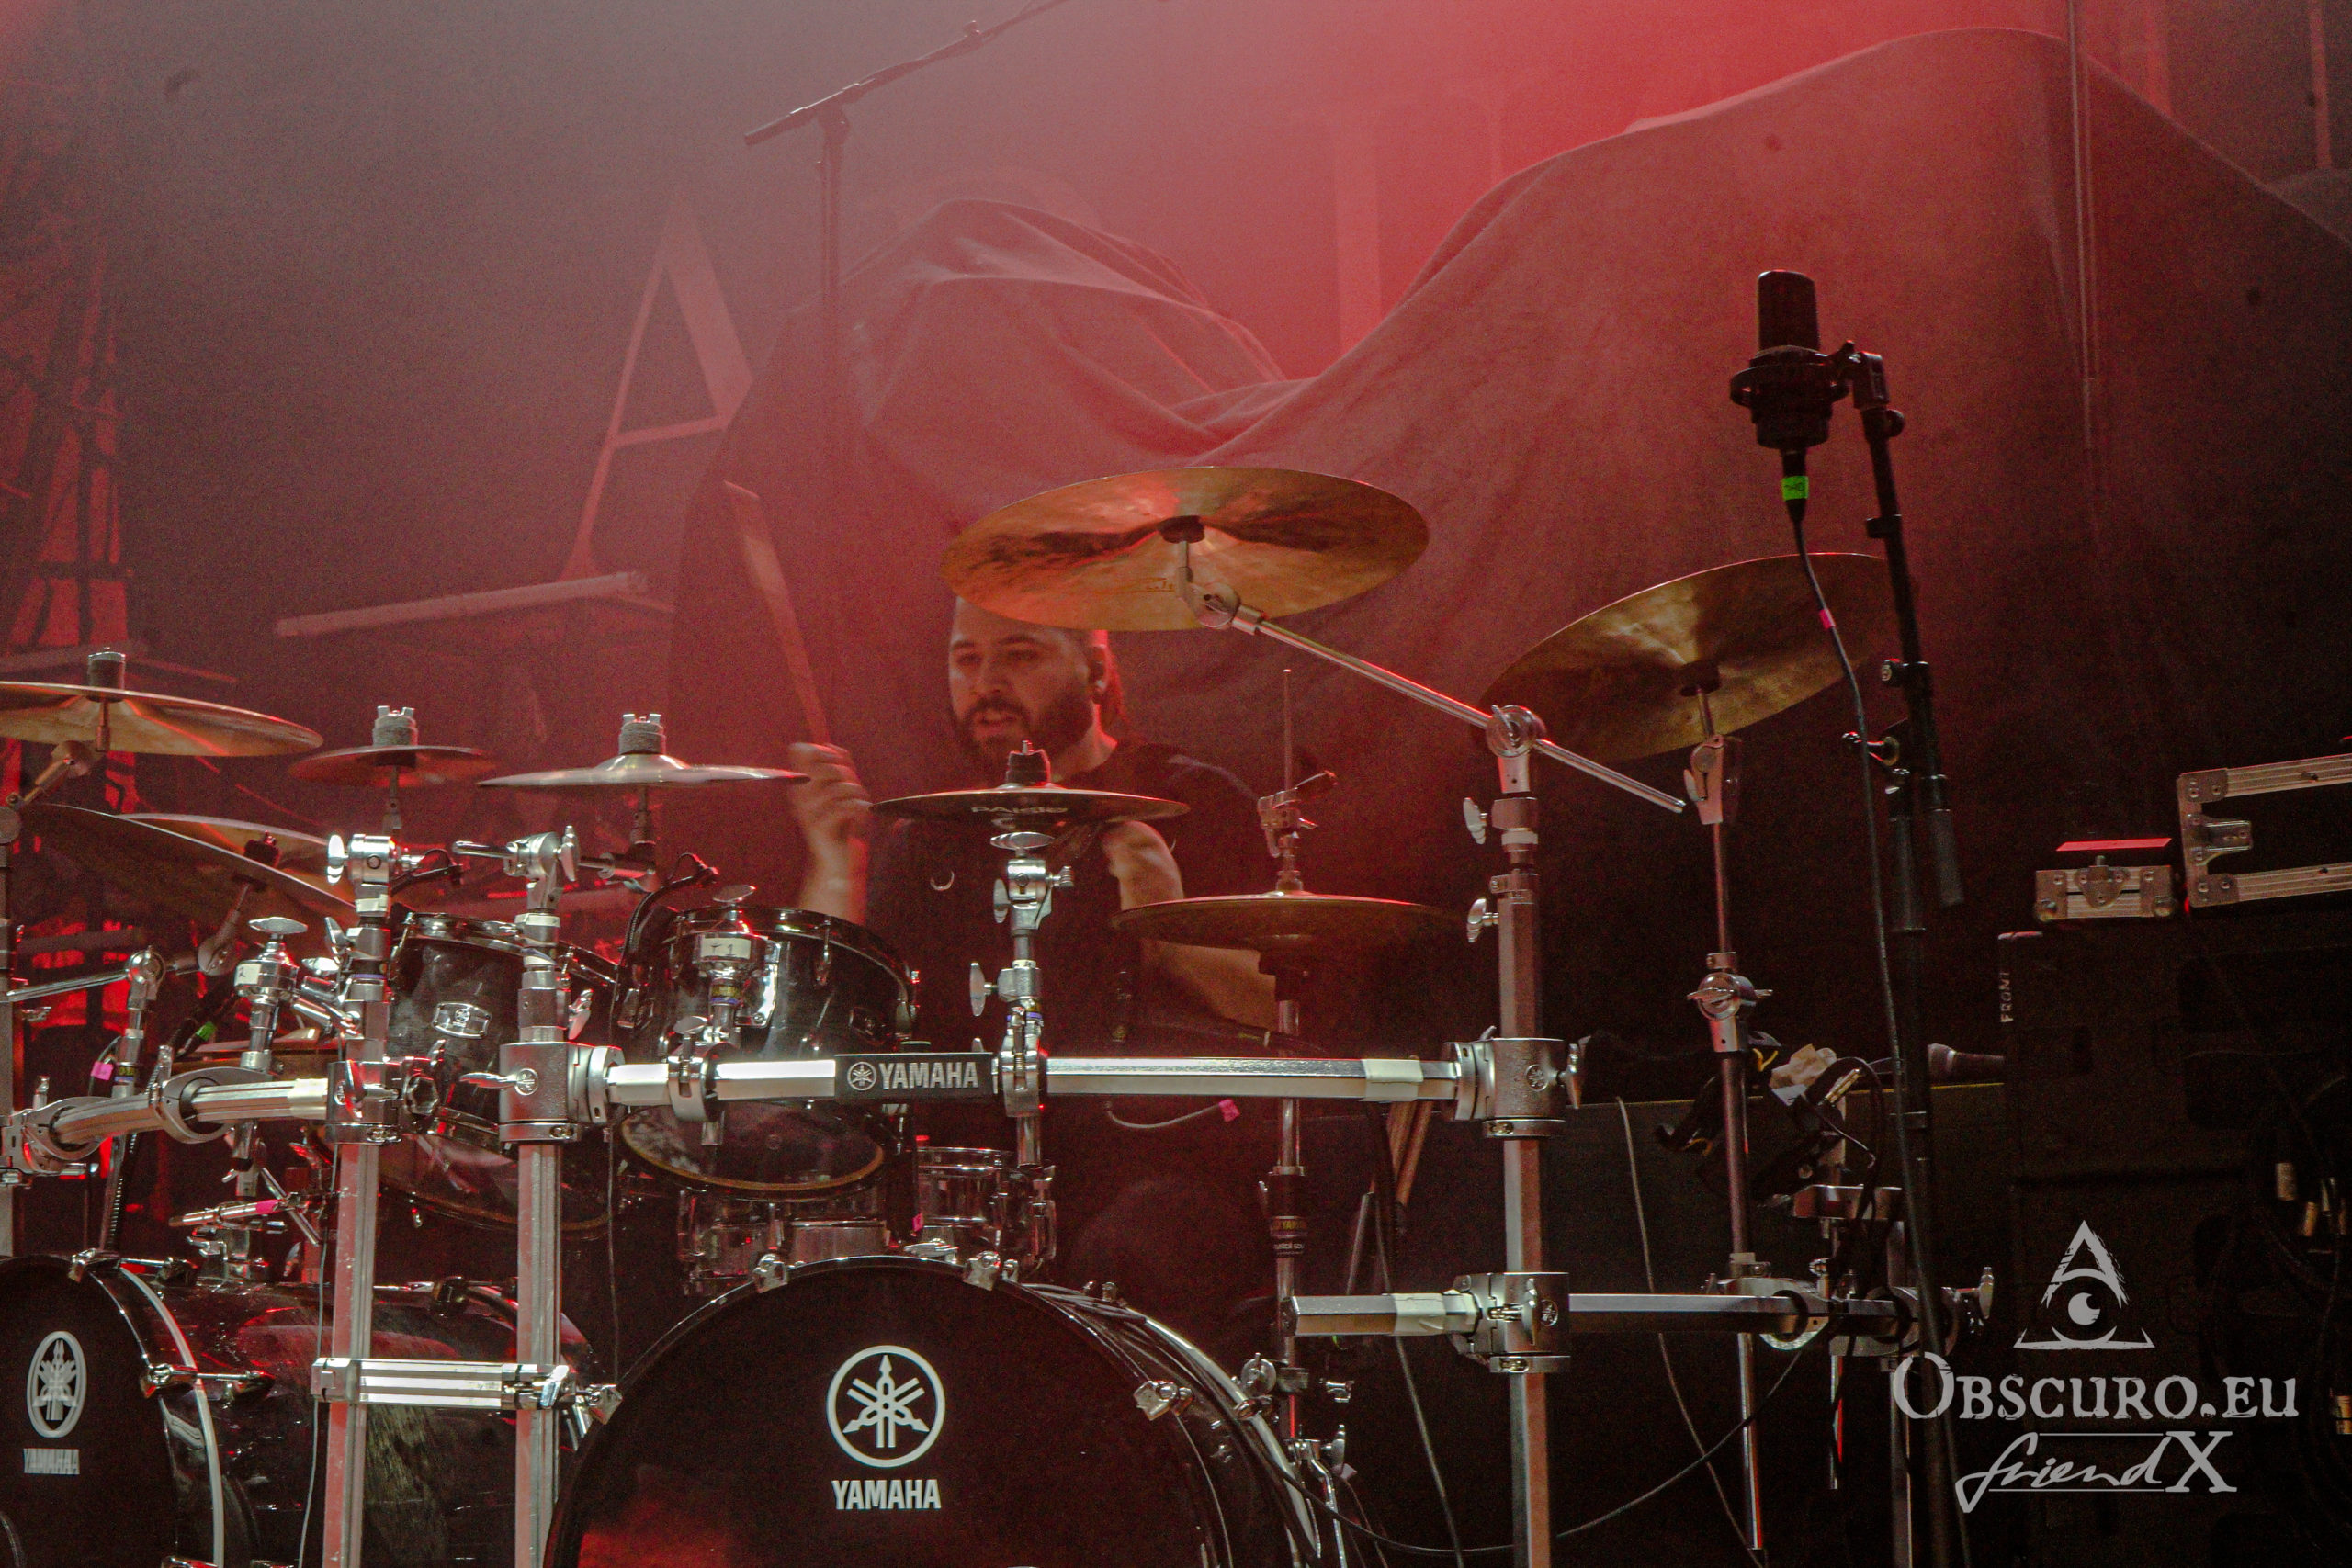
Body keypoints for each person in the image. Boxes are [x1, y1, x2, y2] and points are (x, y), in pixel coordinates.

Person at [786, 599, 1278, 1354]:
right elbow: (829, 1018)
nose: (986, 682)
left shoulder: (1190, 799)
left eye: (1019, 655)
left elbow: (1278, 1007)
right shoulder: (930, 834)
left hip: (1160, 1170)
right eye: (966, 658)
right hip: (962, 1181)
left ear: (1097, 670)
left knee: (1131, 1249)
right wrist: (835, 861)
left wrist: (1168, 925)